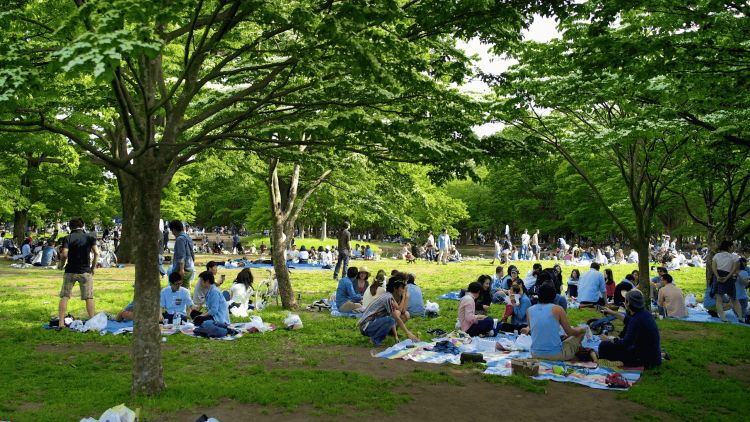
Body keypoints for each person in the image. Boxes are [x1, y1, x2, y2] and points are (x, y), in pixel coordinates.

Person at [598, 290, 662, 368]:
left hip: (643, 360)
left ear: (628, 303)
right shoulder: (645, 314)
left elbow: (625, 344)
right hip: (654, 357)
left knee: (603, 346)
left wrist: (608, 339)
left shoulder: (635, 320)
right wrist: (612, 313)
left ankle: (615, 362)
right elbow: (627, 319)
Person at [522, 284, 586, 361]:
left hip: (535, 353)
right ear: (554, 296)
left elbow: (535, 330)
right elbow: (570, 332)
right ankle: (574, 354)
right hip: (555, 355)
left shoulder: (529, 310)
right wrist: (582, 329)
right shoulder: (558, 309)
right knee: (581, 333)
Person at [57, 217, 98, 327]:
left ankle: (61, 323)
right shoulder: (90, 237)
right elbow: (97, 253)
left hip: (70, 271)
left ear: (70, 227)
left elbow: (64, 254)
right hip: (85, 271)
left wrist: (61, 265)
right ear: (82, 225)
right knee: (88, 297)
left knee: (65, 296)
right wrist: (93, 267)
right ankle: (92, 323)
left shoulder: (67, 238)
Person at [358, 277, 419, 345]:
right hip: (365, 326)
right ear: (395, 289)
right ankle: (375, 339)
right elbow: (396, 318)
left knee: (393, 317)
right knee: (390, 320)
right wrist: (408, 333)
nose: (403, 290)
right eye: (402, 288)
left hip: (369, 324)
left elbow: (400, 310)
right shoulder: (388, 298)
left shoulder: (389, 296)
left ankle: (378, 337)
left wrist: (405, 297)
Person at [711, 240, 742, 321]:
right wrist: (727, 277)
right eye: (733, 246)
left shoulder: (717, 255)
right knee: (734, 298)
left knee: (719, 298)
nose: (733, 248)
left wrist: (717, 276)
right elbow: (734, 269)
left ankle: (723, 318)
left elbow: (713, 267)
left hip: (718, 276)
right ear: (729, 247)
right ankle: (740, 317)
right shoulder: (734, 257)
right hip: (728, 277)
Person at [169, 220, 195, 289]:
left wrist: (181, 270)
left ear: (174, 229)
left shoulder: (180, 239)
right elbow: (192, 252)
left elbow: (181, 256)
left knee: (177, 291)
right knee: (185, 290)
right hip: (189, 267)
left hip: (182, 270)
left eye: (172, 231)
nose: (172, 233)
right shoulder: (188, 237)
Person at [736, 257, 749, 322]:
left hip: (742, 298)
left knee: (741, 317)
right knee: (738, 317)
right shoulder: (730, 273)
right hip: (734, 299)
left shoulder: (744, 272)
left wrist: (738, 275)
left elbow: (746, 284)